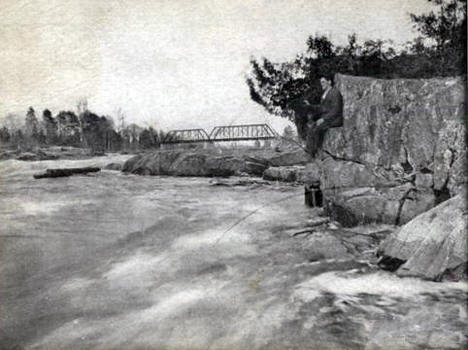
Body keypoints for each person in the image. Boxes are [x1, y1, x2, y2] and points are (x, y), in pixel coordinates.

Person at [304, 74, 343, 157]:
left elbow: (336, 110)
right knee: (312, 127)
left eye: (323, 82)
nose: (322, 84)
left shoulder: (334, 92)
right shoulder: (325, 94)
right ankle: (309, 151)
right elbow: (321, 108)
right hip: (328, 119)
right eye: (321, 82)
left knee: (316, 128)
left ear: (329, 82)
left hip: (334, 119)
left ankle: (312, 153)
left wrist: (324, 119)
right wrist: (310, 106)